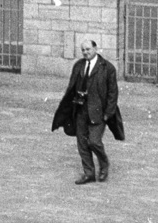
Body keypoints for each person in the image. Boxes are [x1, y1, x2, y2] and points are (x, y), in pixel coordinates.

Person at [49, 38, 123, 185]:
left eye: (88, 49)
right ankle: (89, 173)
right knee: (82, 143)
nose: (85, 52)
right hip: (80, 110)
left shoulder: (107, 68)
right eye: (83, 50)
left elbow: (113, 93)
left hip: (98, 112)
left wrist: (108, 113)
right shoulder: (78, 66)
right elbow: (71, 87)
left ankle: (104, 164)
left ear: (95, 49)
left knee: (94, 142)